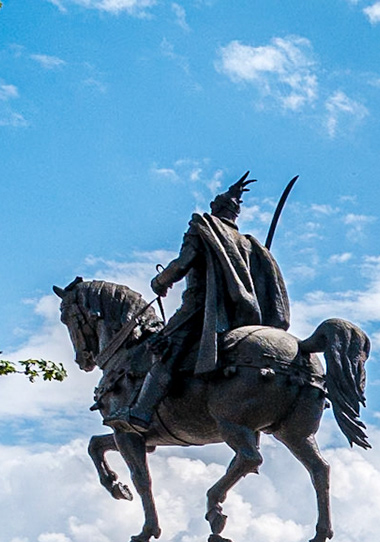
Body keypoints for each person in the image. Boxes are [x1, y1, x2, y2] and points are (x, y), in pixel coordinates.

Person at [111, 172, 292, 431]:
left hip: (199, 309)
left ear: (215, 209)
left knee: (164, 351)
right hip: (240, 313)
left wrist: (161, 281)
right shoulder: (249, 244)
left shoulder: (204, 227)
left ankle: (140, 413)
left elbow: (183, 263)